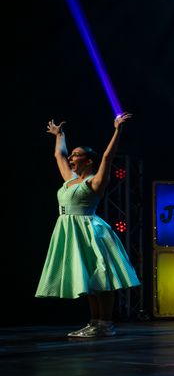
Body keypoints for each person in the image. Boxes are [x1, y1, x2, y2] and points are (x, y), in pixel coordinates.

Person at [37, 113, 140, 338]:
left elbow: (107, 157)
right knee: (89, 279)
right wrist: (59, 135)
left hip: (90, 231)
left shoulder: (94, 181)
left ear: (89, 161)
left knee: (101, 277)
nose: (71, 157)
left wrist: (117, 130)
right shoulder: (69, 179)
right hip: (70, 231)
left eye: (77, 154)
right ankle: (95, 322)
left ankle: (106, 323)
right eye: (72, 154)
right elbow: (59, 154)